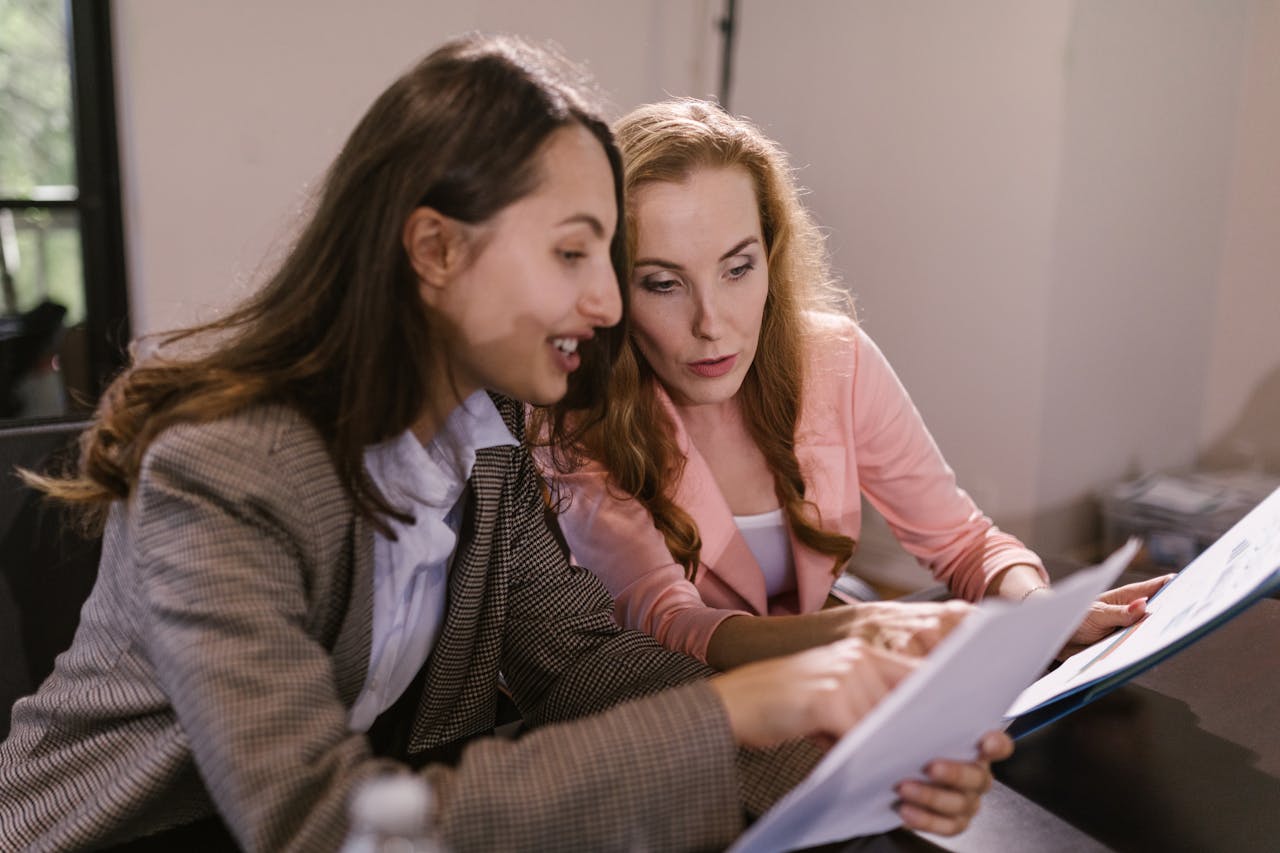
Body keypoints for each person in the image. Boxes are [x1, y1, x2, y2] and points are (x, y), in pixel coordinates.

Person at [0, 37, 1010, 852]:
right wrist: (742, 707)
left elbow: (580, 663)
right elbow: (314, 821)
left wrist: (858, 753)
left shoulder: (487, 443)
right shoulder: (224, 468)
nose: (608, 302)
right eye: (573, 252)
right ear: (435, 251)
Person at [534, 98, 1169, 671]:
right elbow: (672, 626)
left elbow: (962, 541)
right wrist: (859, 628)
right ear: (613, 287)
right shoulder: (576, 414)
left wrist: (1043, 614)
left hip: (829, 662)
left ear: (771, 256)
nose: (712, 323)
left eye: (737, 268)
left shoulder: (833, 358)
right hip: (691, 704)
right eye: (664, 284)